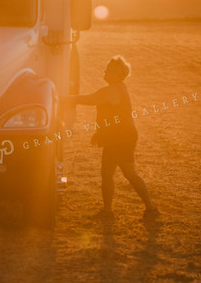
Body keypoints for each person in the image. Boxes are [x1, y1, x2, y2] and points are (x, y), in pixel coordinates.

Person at [62, 56, 159, 220]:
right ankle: (108, 212)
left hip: (122, 137)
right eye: (106, 68)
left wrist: (64, 99)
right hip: (116, 137)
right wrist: (100, 133)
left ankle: (151, 208)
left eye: (108, 69)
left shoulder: (112, 90)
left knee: (129, 173)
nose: (105, 72)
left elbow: (90, 99)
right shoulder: (118, 87)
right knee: (107, 174)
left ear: (116, 74)